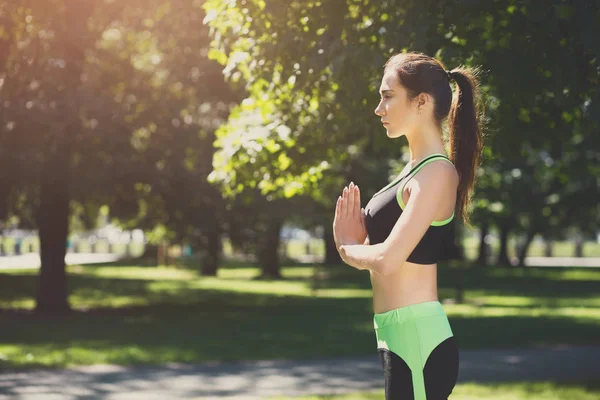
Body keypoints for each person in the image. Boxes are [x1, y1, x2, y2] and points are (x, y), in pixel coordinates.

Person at [332, 51, 484, 399]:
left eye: (387, 96)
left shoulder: (437, 172)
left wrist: (348, 248)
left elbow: (388, 259)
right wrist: (360, 244)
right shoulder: (413, 171)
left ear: (421, 102)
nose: (378, 108)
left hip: (419, 339)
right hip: (396, 335)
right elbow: (384, 253)